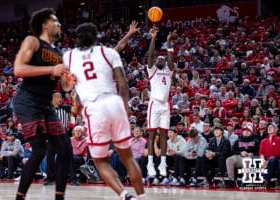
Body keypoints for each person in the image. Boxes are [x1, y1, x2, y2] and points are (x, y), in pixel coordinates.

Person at [61, 22, 145, 200]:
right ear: (96, 37)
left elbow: (66, 86)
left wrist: (72, 82)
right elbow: (123, 84)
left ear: (76, 38)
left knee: (99, 160)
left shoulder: (69, 57)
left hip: (95, 107)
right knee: (128, 157)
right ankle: (142, 197)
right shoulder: (109, 52)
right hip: (115, 103)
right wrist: (126, 106)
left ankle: (124, 195)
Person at [12, 8, 72, 200]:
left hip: (46, 104)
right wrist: (51, 69)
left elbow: (63, 85)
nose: (59, 24)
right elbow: (18, 69)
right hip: (28, 100)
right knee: (38, 151)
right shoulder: (33, 41)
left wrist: (68, 82)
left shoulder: (59, 52)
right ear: (44, 24)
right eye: (55, 21)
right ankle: (20, 197)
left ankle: (59, 197)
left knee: (65, 151)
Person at [146, 27, 175, 178]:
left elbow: (171, 58)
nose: (160, 60)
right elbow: (151, 55)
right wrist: (153, 38)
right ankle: (150, 163)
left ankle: (163, 163)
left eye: (162, 59)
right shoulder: (152, 71)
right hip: (154, 104)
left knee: (164, 134)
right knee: (152, 134)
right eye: (159, 59)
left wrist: (169, 42)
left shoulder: (168, 71)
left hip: (165, 105)